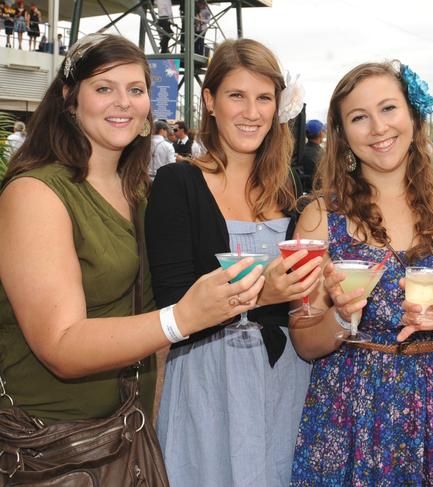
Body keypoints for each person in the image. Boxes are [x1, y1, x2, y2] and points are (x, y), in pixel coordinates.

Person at [0, 33, 265, 430]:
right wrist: (182, 318)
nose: (123, 102)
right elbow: (60, 345)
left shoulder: (138, 191)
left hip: (126, 429)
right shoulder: (35, 194)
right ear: (70, 99)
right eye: (104, 88)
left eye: (135, 89)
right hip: (53, 440)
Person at [289, 61, 433, 485]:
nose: (378, 128)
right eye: (358, 117)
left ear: (412, 114)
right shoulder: (318, 217)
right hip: (353, 417)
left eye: (388, 108)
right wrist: (342, 317)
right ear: (343, 133)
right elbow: (305, 342)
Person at [146, 38, 319, 486]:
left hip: (287, 378)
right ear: (210, 100)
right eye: (236, 95)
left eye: (264, 98)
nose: (251, 112)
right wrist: (265, 292)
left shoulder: (289, 191)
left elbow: (304, 303)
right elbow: (172, 300)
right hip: (210, 380)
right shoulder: (177, 182)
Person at [298, 119, 324, 192]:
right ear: (320, 133)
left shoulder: (300, 151)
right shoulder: (322, 154)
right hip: (317, 192)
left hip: (302, 190)